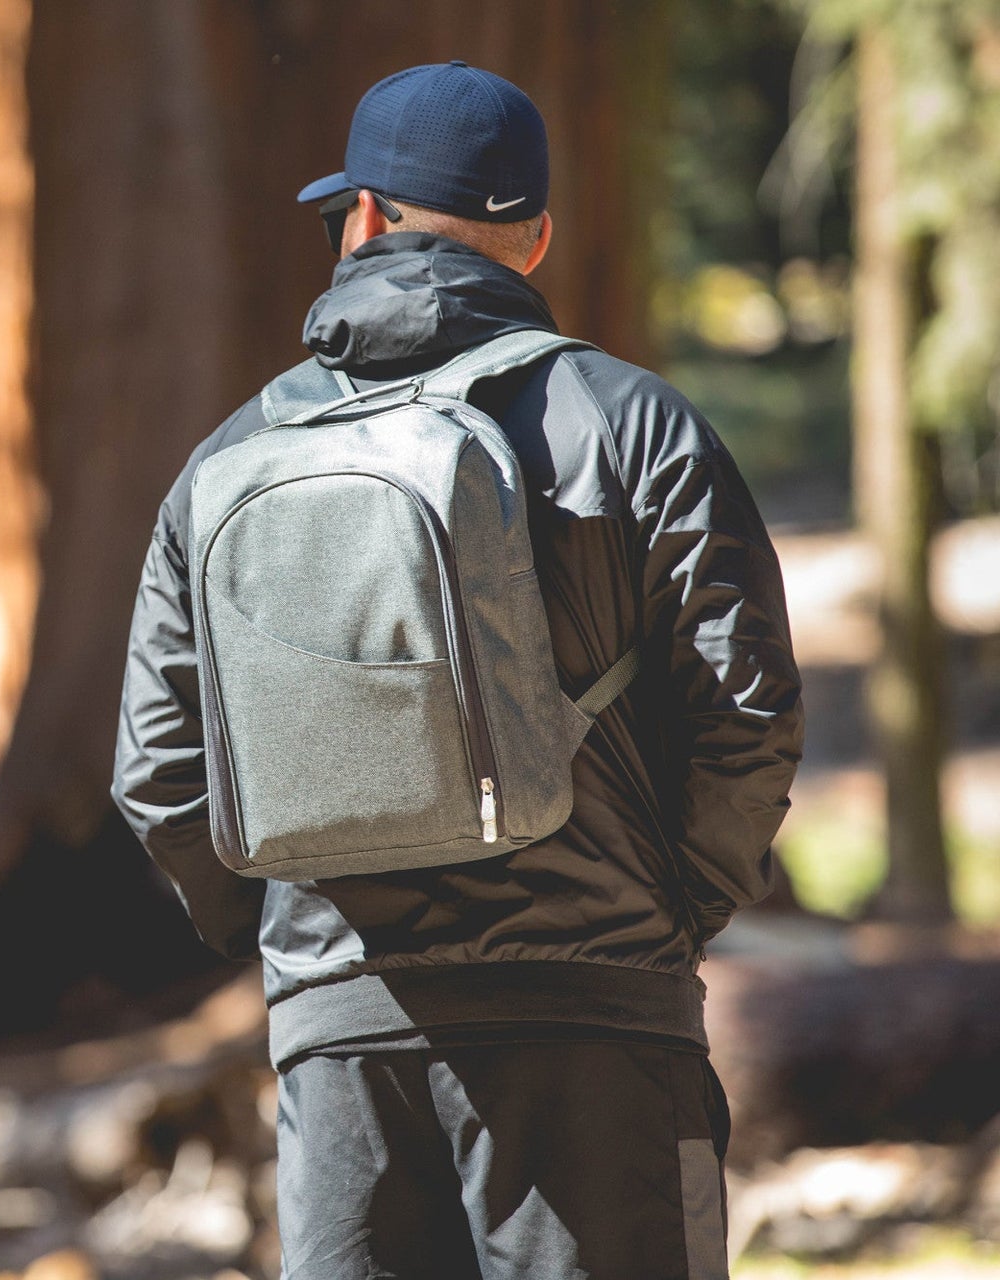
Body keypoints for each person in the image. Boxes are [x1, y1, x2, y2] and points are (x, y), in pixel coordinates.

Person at [111, 61, 803, 1280]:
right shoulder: (636, 424)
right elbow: (745, 714)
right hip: (600, 1020)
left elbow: (162, 771)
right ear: (534, 239)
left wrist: (294, 936)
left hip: (344, 1036)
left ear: (364, 219)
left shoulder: (232, 458)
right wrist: (662, 912)